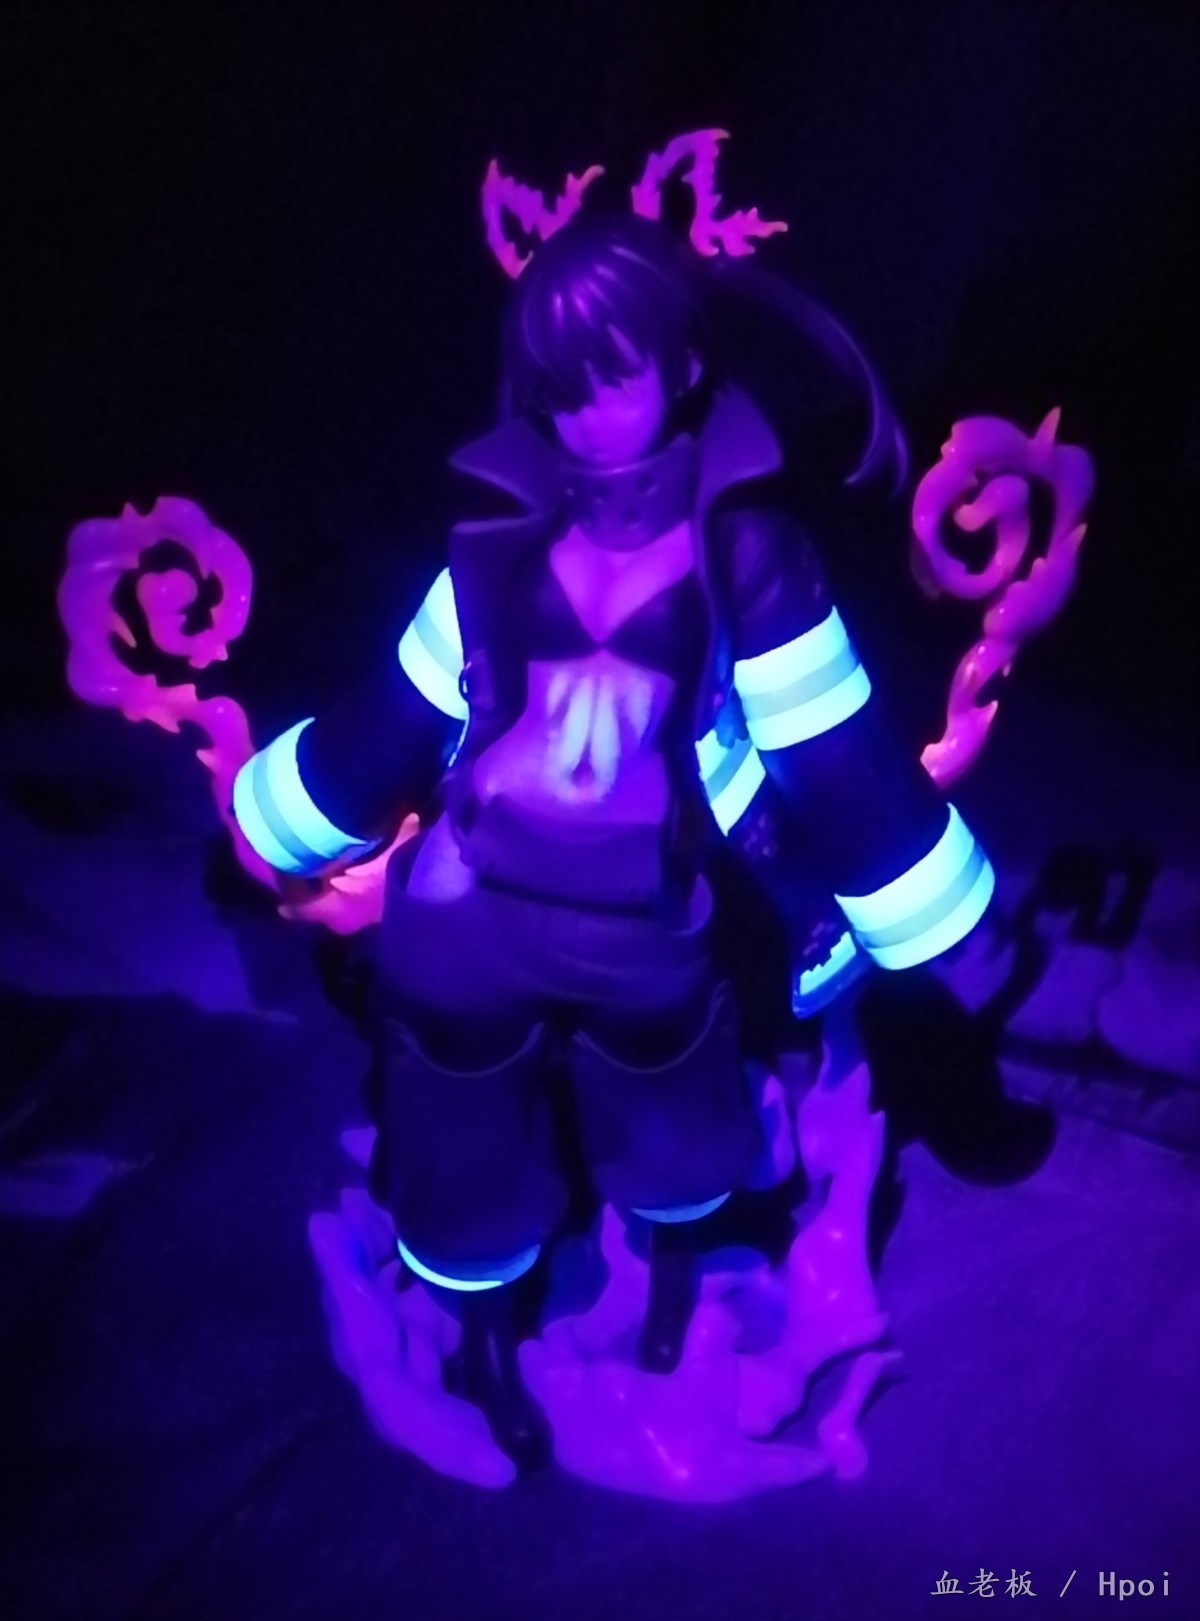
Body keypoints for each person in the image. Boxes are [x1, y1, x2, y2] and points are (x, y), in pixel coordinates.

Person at [233, 202, 994, 1472]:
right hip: (467, 907)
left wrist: (916, 892)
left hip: (650, 915)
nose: (586, 412)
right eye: (559, 385)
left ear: (684, 361)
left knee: (674, 1128)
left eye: (613, 373)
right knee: (457, 1143)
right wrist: (292, 808)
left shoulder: (748, 551)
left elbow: (830, 749)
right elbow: (406, 709)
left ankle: (671, 1300)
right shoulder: (498, 537)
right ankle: (483, 1341)